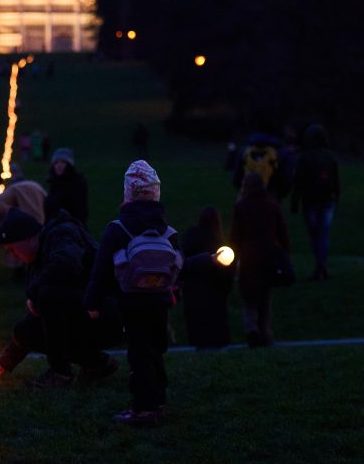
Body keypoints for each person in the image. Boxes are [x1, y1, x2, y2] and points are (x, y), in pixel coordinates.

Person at [84, 160, 180, 426]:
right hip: (160, 299)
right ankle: (158, 401)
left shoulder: (118, 228)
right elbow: (177, 265)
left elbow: (101, 269)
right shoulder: (167, 230)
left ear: (128, 192)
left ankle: (144, 409)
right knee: (155, 351)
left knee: (139, 354)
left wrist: (92, 302)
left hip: (132, 300)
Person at [0, 207, 121, 388]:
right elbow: (39, 314)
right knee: (25, 330)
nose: (13, 256)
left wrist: (35, 292)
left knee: (47, 295)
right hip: (83, 314)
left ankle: (60, 373)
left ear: (28, 238)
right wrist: (5, 362)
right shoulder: (39, 259)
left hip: (107, 312)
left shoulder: (62, 236)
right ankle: (96, 363)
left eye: (12, 249)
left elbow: (67, 264)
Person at [231, 172, 290, 347]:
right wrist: (285, 253)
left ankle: (252, 329)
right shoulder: (272, 205)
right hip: (270, 256)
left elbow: (235, 235)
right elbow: (283, 232)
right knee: (266, 297)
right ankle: (266, 333)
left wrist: (233, 258)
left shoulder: (241, 207)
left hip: (249, 257)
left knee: (249, 297)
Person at [179, 207, 234, 350]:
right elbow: (226, 270)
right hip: (215, 290)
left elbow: (182, 262)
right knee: (215, 325)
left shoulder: (190, 237)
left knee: (198, 325)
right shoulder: (218, 241)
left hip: (193, 290)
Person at [290, 124, 340, 280]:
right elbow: (336, 179)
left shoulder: (305, 157)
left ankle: (320, 267)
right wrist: (336, 197)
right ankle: (322, 267)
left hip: (310, 200)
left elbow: (298, 181)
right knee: (323, 234)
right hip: (327, 199)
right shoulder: (331, 156)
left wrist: (295, 201)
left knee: (315, 235)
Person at [44, 147, 89, 226]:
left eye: (63, 162)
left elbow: (80, 210)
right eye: (56, 162)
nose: (59, 165)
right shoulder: (53, 183)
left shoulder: (77, 183)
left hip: (70, 229)